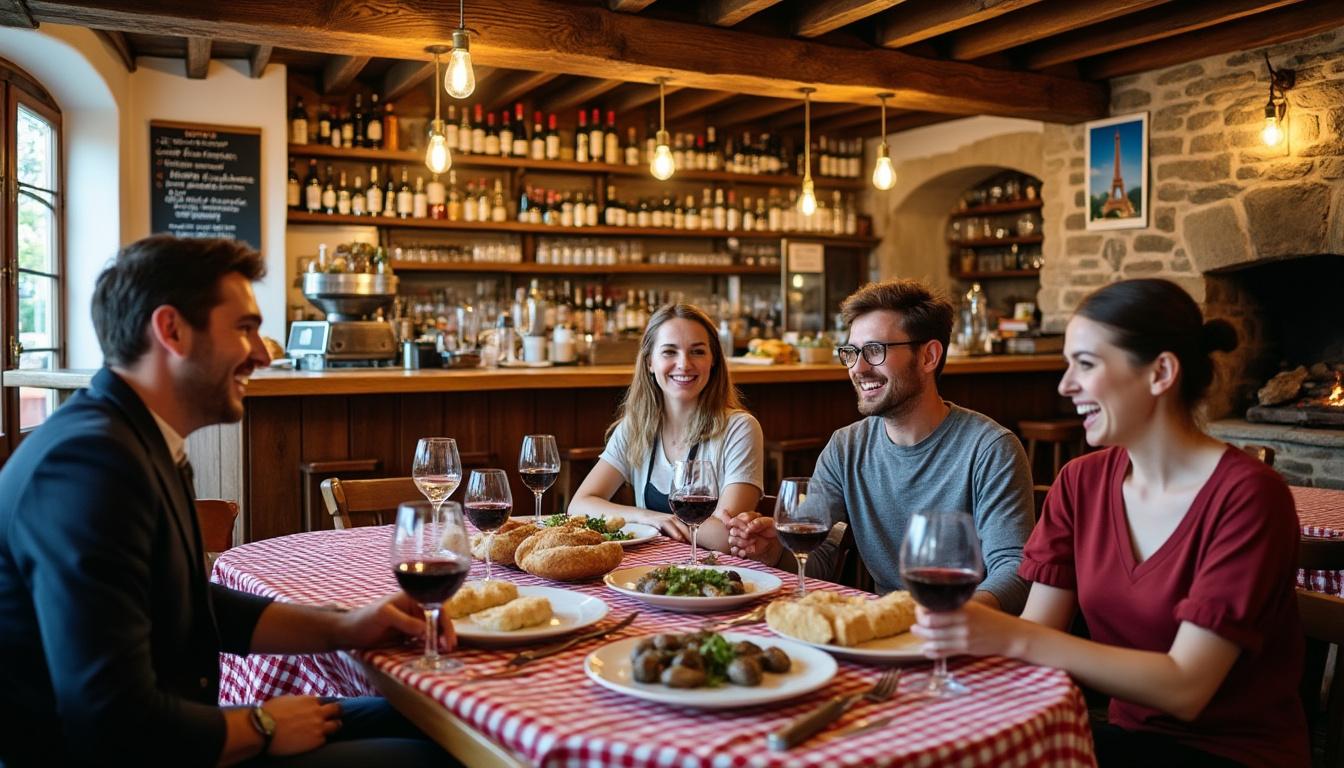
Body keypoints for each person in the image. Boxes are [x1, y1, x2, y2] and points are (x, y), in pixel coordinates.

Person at [0, 236, 451, 767]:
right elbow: (108, 720)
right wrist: (259, 724)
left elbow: (195, 606)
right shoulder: (90, 467)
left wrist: (346, 625)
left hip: (173, 732)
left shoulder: (137, 440)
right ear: (171, 331)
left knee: (430, 721)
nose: (262, 354)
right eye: (245, 328)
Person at [913, 278, 1308, 767]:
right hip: (1120, 739)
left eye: (1086, 364)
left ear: (1161, 372)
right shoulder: (1080, 483)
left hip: (1234, 754)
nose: (1065, 385)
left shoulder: (1249, 496)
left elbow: (1187, 687)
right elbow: (1037, 645)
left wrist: (1003, 632)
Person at [727, 279, 1034, 612]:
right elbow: (822, 559)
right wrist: (776, 552)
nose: (858, 368)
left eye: (875, 351)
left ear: (929, 356)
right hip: (884, 628)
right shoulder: (845, 448)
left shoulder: (991, 450)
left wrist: (949, 620)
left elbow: (1014, 571)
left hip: (968, 631)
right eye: (852, 352)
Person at [569, 303, 763, 550]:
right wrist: (648, 517)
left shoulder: (739, 429)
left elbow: (725, 538)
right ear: (649, 361)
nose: (684, 364)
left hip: (714, 576)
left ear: (713, 360)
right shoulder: (635, 427)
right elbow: (579, 504)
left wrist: (660, 523)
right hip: (648, 573)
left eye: (697, 352)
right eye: (669, 352)